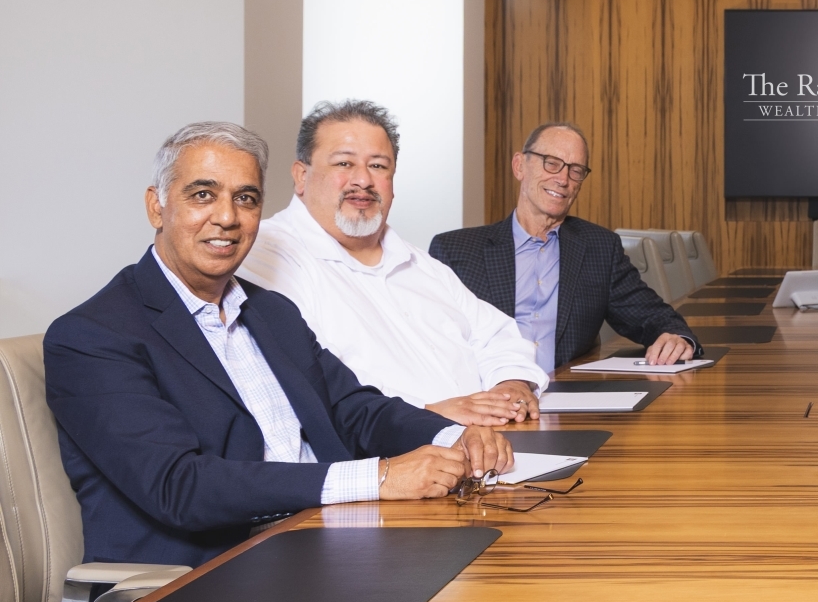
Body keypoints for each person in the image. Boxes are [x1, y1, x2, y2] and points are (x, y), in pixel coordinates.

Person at [44, 122, 512, 567]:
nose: (226, 217)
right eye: (203, 195)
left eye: (245, 199)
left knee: (501, 564)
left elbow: (353, 408)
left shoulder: (272, 312)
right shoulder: (93, 335)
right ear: (156, 207)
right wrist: (380, 477)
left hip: (330, 542)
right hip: (206, 579)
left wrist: (453, 436)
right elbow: (180, 486)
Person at [240, 100, 550, 426]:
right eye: (344, 163)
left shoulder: (419, 263)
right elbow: (314, 381)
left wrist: (509, 385)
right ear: (301, 176)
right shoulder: (268, 255)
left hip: (492, 442)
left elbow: (493, 335)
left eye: (378, 166)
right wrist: (427, 414)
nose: (363, 180)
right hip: (391, 458)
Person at [428, 122, 697, 373]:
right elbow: (429, 345)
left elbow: (653, 317)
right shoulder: (456, 251)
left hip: (566, 400)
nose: (563, 179)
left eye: (576, 170)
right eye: (551, 163)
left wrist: (674, 338)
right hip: (488, 400)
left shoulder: (599, 248)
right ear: (519, 166)